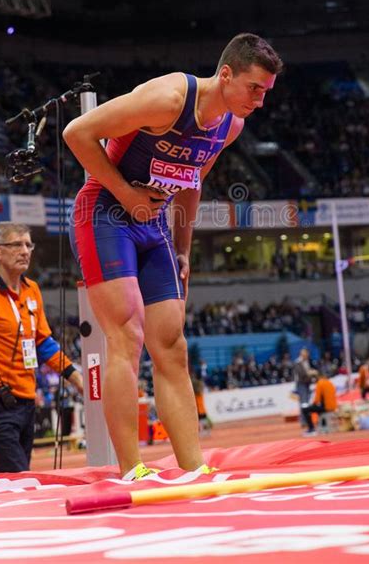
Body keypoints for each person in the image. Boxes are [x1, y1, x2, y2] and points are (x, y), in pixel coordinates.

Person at [64, 33, 283, 479]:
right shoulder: (168, 98)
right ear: (226, 75)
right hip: (105, 213)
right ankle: (132, 469)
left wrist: (183, 249)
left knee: (172, 345)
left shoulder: (230, 125)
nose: (259, 101)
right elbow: (77, 133)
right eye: (254, 88)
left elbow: (191, 182)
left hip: (153, 224)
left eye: (266, 92)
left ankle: (193, 468)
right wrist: (126, 194)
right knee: (127, 336)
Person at [0, 222, 83, 472]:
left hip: (26, 403)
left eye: (28, 244)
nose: (25, 251)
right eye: (16, 244)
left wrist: (75, 376)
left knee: (16, 479)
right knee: (19, 478)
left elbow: (43, 343)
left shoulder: (32, 290)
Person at [301, 371, 338, 435]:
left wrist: (311, 405)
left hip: (326, 407)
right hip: (333, 406)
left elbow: (317, 399)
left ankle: (311, 428)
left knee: (305, 410)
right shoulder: (329, 382)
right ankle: (323, 426)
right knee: (317, 409)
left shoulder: (320, 383)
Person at [293, 347, 317, 429]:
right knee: (303, 403)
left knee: (307, 402)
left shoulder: (308, 361)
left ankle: (307, 420)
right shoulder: (297, 362)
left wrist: (312, 373)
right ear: (302, 354)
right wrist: (310, 373)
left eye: (307, 354)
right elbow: (301, 374)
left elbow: (313, 369)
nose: (306, 356)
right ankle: (303, 421)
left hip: (308, 384)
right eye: (305, 354)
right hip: (301, 384)